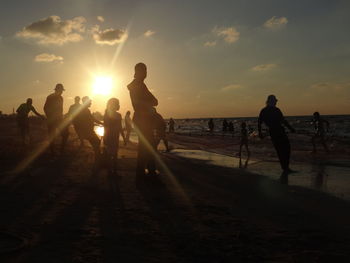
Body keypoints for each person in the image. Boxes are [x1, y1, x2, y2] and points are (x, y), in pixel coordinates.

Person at [127, 62, 159, 176]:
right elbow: (152, 101)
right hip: (142, 119)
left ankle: (143, 172)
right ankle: (150, 172)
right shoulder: (139, 85)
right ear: (138, 72)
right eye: (144, 71)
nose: (146, 73)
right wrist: (150, 105)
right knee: (150, 146)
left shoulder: (138, 84)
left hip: (141, 118)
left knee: (145, 147)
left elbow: (153, 101)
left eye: (146, 71)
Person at [258, 95, 296, 174]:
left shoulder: (264, 110)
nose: (276, 102)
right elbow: (283, 121)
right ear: (271, 101)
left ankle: (285, 167)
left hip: (273, 131)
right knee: (286, 148)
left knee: (281, 149)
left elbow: (259, 123)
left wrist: (260, 133)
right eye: (275, 100)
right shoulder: (275, 110)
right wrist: (291, 128)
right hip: (278, 131)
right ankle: (285, 167)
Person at [74, 96, 102, 162]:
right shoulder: (85, 110)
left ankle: (97, 157)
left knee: (97, 142)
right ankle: (97, 159)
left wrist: (100, 123)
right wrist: (102, 123)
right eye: (90, 102)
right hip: (88, 132)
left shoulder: (84, 109)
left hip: (87, 131)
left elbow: (90, 119)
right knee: (97, 142)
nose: (91, 103)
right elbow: (91, 119)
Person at [44, 83, 69, 154]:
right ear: (57, 90)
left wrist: (62, 117)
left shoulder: (61, 98)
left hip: (59, 119)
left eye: (62, 91)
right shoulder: (50, 97)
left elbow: (60, 109)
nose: (62, 92)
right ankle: (52, 152)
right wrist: (50, 117)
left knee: (66, 134)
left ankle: (61, 150)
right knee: (52, 136)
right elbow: (45, 108)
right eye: (61, 90)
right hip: (51, 120)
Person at [103, 98, 126, 172]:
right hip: (112, 137)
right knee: (113, 155)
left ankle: (112, 172)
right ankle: (112, 172)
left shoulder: (108, 114)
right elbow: (119, 128)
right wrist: (124, 138)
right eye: (117, 103)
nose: (119, 105)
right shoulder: (115, 115)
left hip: (112, 137)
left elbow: (118, 128)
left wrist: (124, 138)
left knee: (112, 155)